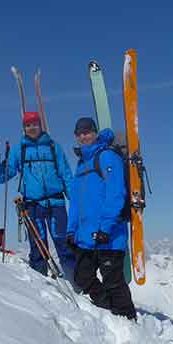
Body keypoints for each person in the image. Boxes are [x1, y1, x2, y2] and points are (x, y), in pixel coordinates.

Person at [66, 117, 136, 320]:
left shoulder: (107, 156)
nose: (83, 136)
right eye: (79, 133)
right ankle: (111, 314)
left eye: (87, 132)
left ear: (95, 133)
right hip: (87, 237)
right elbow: (76, 203)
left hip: (109, 236)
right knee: (82, 276)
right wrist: (71, 231)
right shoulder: (82, 164)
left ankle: (128, 320)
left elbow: (115, 194)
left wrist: (106, 228)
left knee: (113, 282)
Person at [0, 112, 73, 275]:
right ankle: (41, 286)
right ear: (24, 128)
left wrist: (75, 202)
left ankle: (77, 284)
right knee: (38, 247)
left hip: (57, 203)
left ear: (40, 125)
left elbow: (66, 175)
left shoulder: (54, 146)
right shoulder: (19, 150)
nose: (32, 127)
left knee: (65, 244)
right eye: (28, 125)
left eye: (34, 124)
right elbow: (1, 176)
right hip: (33, 206)